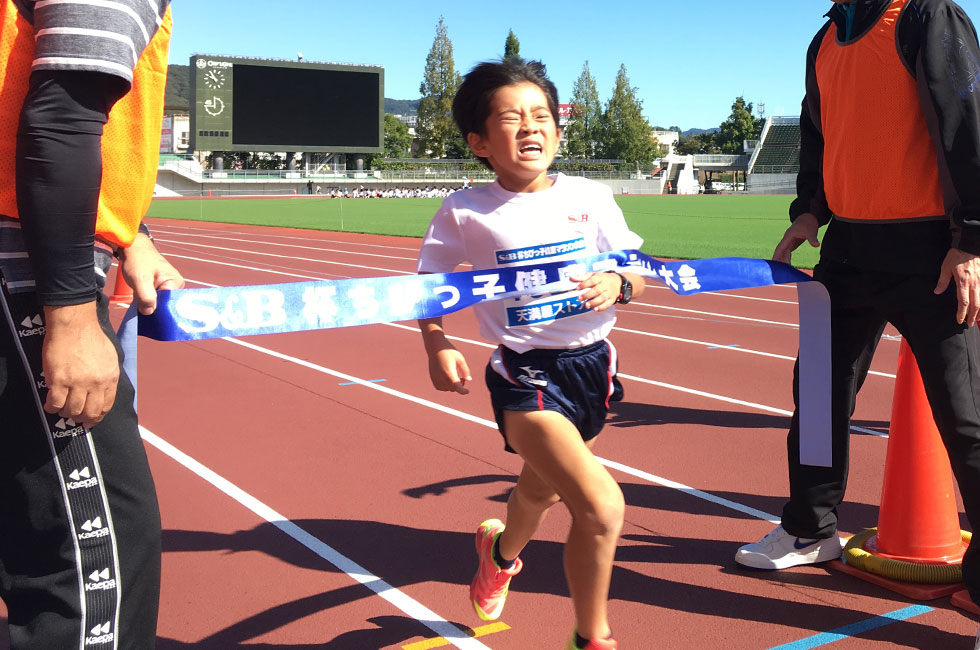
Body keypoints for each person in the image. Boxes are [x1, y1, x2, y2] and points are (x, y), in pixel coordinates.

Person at [734, 0, 980, 635]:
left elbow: (969, 124)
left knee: (968, 418)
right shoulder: (827, 37)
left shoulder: (928, 15)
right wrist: (809, 210)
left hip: (931, 252)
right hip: (846, 252)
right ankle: (810, 529)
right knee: (817, 396)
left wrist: (973, 237)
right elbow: (820, 134)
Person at [416, 58, 646, 650]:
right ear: (479, 141)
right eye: (512, 119)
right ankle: (591, 638)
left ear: (558, 130)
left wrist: (620, 283)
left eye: (541, 116)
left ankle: (498, 553)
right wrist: (437, 342)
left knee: (540, 490)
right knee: (600, 507)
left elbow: (637, 269)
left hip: (593, 364)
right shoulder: (465, 210)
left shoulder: (590, 196)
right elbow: (426, 286)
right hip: (525, 372)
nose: (530, 128)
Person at [0, 0, 184, 647]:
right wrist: (73, 314)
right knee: (93, 583)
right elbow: (61, 114)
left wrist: (132, 234)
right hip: (20, 272)